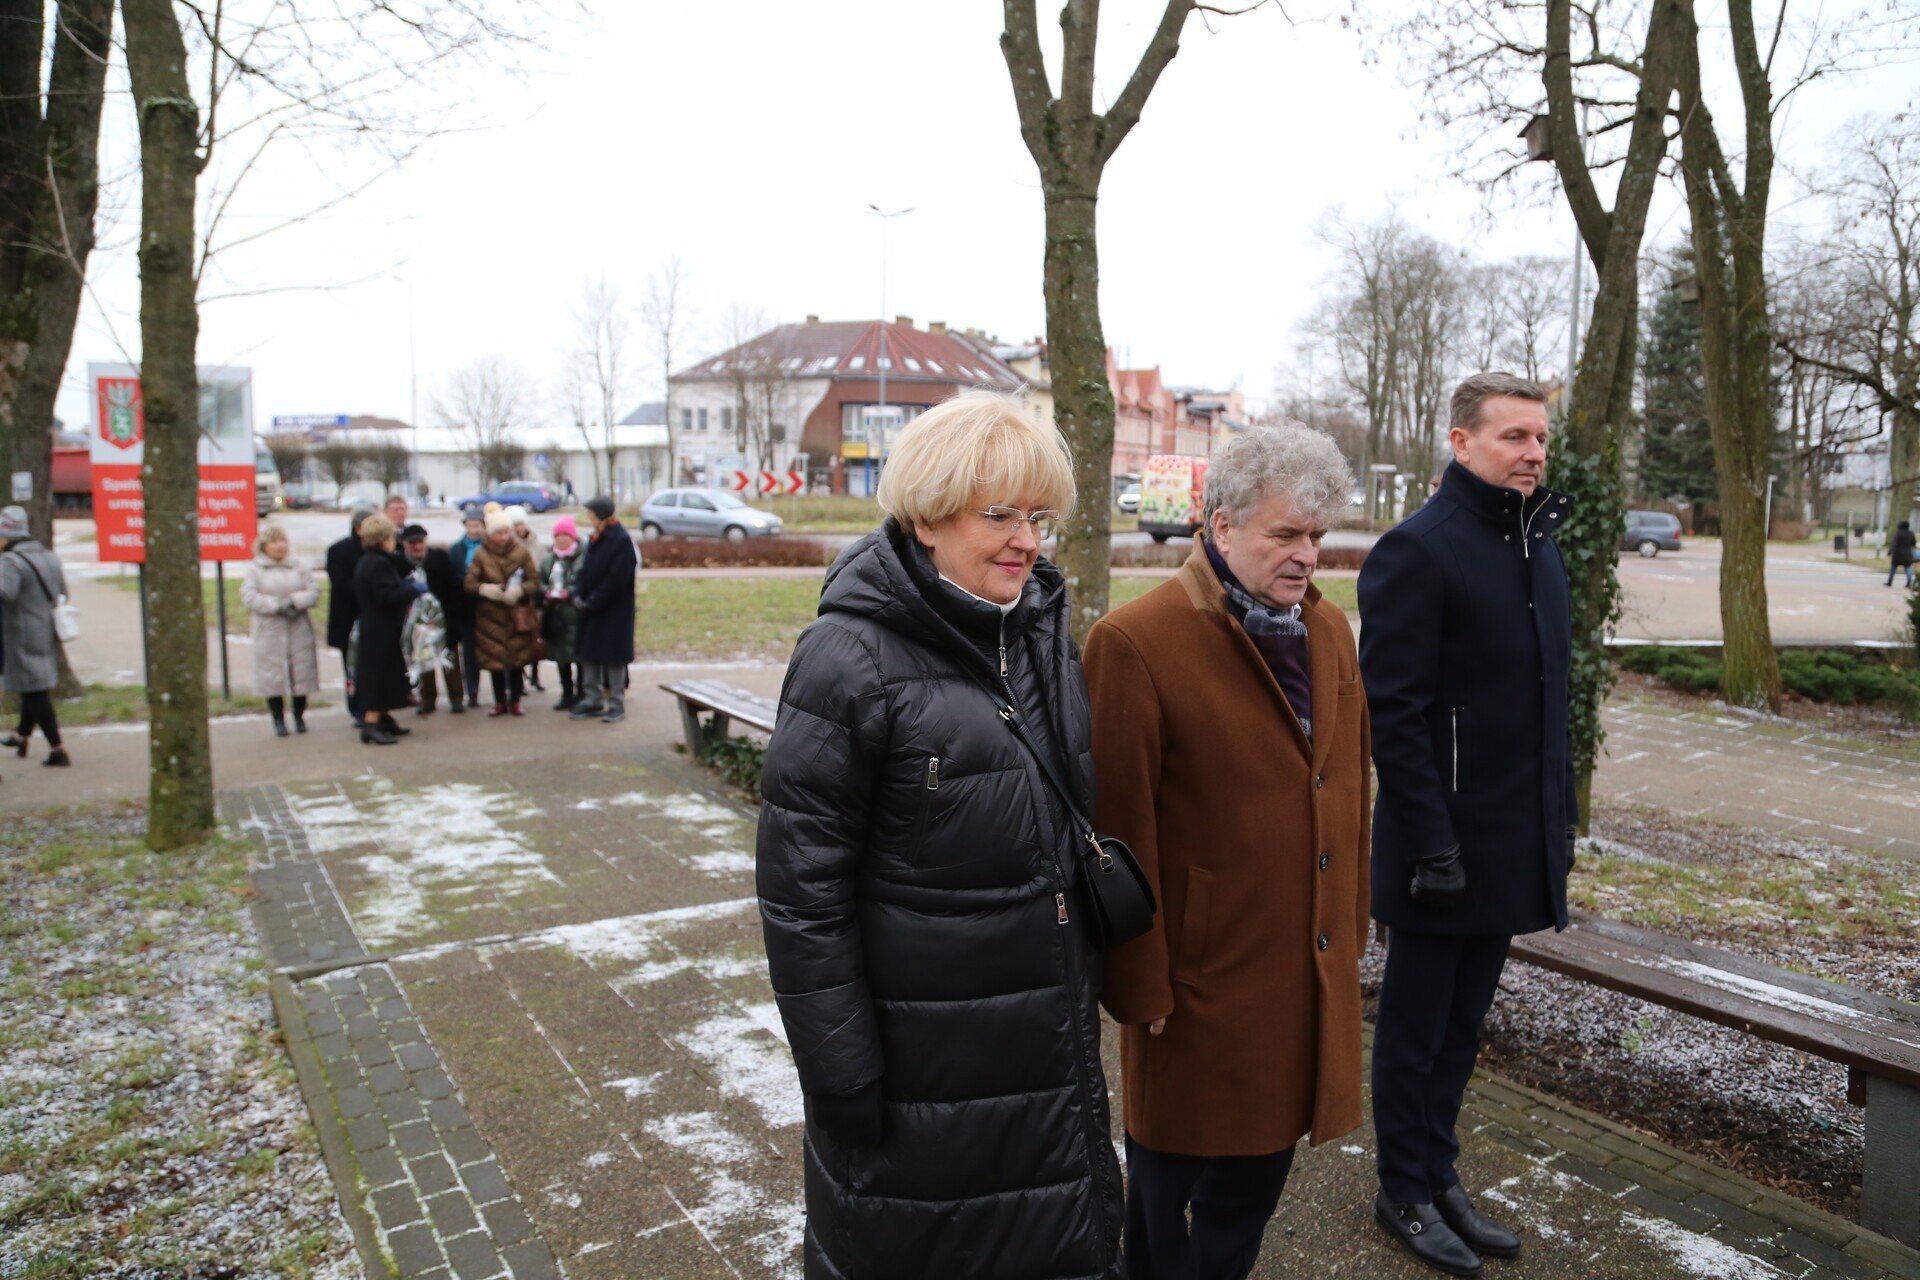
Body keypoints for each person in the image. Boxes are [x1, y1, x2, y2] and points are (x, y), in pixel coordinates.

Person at [756, 391, 1124, 1280]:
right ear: (926, 517)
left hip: (1043, 1051)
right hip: (917, 1078)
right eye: (998, 516)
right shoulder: (848, 659)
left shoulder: (1037, 632)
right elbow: (802, 894)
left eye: (1038, 517)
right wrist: (842, 1074)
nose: (1026, 540)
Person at [1086, 427, 1371, 1280]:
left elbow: (1348, 790)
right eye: (1285, 534)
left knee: (1253, 1187)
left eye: (1316, 535)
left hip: (1303, 965)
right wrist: (1139, 983)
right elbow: (1116, 829)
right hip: (1195, 984)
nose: (1306, 555)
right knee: (1163, 1193)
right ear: (1221, 525)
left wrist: (1350, 930)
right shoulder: (1136, 641)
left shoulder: (1329, 631)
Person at [1359, 372, 1576, 1276]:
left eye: (1540, 437)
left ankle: (1437, 1174)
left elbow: (1545, 706)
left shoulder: (1537, 545)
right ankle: (1402, 1190)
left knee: (1460, 1030)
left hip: (1511, 842)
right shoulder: (1419, 550)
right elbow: (1394, 713)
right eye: (1513, 436)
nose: (1533, 453)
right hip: (1439, 849)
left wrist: (1554, 830)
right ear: (1461, 442)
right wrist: (1432, 842)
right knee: (1416, 1031)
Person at [0, 505, 70, 767]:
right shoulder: (49, 556)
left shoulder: (11, 561)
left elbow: (5, 593)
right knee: (33, 686)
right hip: (45, 629)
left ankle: (57, 748)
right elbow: (63, 592)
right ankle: (22, 735)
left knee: (34, 691)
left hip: (20, 633)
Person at [241, 523, 321, 737]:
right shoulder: (255, 569)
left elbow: (313, 591)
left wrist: (295, 601)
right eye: (274, 541)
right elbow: (250, 596)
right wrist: (276, 605)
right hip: (269, 630)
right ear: (264, 545)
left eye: (282, 540)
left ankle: (299, 716)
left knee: (300, 672)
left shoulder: (298, 565)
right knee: (273, 675)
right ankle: (278, 718)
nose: (279, 546)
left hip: (298, 627)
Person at [351, 514, 422, 746]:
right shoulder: (378, 563)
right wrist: (411, 590)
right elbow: (385, 596)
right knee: (378, 676)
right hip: (379, 628)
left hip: (377, 626)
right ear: (383, 540)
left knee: (388, 673)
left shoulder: (371, 560)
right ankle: (371, 723)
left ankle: (384, 718)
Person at [463, 507, 542, 716]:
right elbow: (469, 583)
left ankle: (515, 700)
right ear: (490, 534)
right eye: (499, 533)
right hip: (490, 616)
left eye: (506, 532)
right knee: (495, 660)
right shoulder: (481, 554)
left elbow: (534, 580)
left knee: (516, 658)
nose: (504, 537)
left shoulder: (521, 552)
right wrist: (484, 589)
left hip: (516, 614)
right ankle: (499, 701)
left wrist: (520, 591)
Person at [568, 496, 636, 724]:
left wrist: (593, 601)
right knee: (589, 654)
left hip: (613, 611)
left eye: (591, 512)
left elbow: (616, 580)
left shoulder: (621, 540)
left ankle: (616, 702)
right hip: (590, 609)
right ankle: (592, 699)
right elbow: (584, 570)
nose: (588, 517)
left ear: (601, 514)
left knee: (613, 658)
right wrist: (578, 595)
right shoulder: (595, 538)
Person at [400, 524, 466, 714]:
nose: (417, 546)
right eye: (412, 543)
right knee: (423, 658)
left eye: (420, 542)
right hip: (417, 622)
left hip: (443, 618)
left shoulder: (440, 558)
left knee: (450, 659)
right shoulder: (400, 563)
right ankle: (427, 699)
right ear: (405, 544)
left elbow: (454, 587)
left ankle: (456, 698)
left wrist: (447, 615)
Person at [326, 507, 375, 724]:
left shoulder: (377, 550)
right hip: (348, 619)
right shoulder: (338, 551)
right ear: (359, 528)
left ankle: (375, 708)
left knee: (374, 668)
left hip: (374, 619)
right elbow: (341, 584)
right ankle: (357, 709)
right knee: (353, 668)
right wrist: (371, 592)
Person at [538, 515, 586, 711]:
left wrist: (570, 592)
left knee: (580, 658)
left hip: (577, 615)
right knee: (561, 657)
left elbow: (586, 582)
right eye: (558, 536)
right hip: (556, 617)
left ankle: (582, 693)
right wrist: (546, 592)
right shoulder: (548, 560)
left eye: (565, 535)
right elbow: (539, 582)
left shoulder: (582, 558)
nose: (561, 539)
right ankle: (566, 693)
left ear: (573, 537)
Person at [447, 505, 487, 709]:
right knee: (468, 652)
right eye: (469, 526)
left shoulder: (489, 547)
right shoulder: (456, 549)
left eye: (477, 526)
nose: (473, 530)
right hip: (464, 606)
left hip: (485, 604)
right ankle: (471, 691)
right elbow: (451, 574)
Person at [507, 505, 546, 691]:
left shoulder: (535, 542)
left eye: (521, 524)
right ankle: (520, 678)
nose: (519, 528)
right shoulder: (509, 545)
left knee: (535, 637)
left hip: (534, 597)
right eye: (515, 525)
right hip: (517, 597)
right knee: (519, 640)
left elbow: (543, 564)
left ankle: (536, 675)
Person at [1888, 519, 1915, 588]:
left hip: (1898, 554)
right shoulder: (1911, 533)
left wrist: (1890, 551)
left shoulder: (1898, 533)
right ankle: (1909, 581)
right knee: (1908, 567)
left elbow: (1894, 543)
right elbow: (1913, 543)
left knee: (1893, 567)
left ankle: (1890, 581)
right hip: (1908, 553)